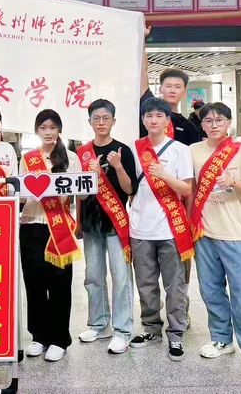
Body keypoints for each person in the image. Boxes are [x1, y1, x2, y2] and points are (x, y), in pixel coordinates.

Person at [185, 102, 241, 372]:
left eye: (219, 120)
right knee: (210, 290)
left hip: (233, 231)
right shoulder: (193, 150)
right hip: (204, 231)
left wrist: (233, 184)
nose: (214, 125)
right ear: (202, 125)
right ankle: (221, 339)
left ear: (229, 123)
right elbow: (191, 189)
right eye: (208, 121)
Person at [140, 26, 201, 321]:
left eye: (178, 86)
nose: (172, 90)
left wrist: (189, 212)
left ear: (184, 91)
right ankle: (152, 317)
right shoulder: (149, 118)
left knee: (182, 259)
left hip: (178, 204)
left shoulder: (190, 128)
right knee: (149, 269)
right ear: (160, 89)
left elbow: (192, 177)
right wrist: (141, 41)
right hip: (148, 208)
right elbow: (141, 79)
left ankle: (181, 304)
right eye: (167, 86)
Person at [128, 97, 194, 362]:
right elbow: (129, 188)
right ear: (143, 119)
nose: (153, 120)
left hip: (170, 228)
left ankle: (176, 332)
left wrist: (164, 175)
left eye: (159, 115)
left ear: (167, 120)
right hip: (140, 227)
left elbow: (186, 188)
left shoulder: (180, 150)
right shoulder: (134, 149)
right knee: (145, 283)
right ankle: (151, 328)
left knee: (174, 284)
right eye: (149, 115)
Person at [75, 99, 138, 355]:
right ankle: (98, 324)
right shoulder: (81, 152)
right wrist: (78, 221)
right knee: (93, 275)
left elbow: (129, 189)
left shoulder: (123, 150)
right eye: (96, 118)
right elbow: (78, 192)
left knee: (121, 277)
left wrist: (118, 166)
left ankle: (122, 330)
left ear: (114, 121)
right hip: (91, 222)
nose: (101, 123)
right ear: (90, 121)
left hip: (116, 223)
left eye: (106, 118)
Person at [19, 109, 82, 362]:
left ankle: (59, 339)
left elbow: (81, 193)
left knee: (60, 284)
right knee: (34, 283)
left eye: (52, 127)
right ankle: (38, 336)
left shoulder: (71, 158)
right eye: (43, 128)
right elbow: (21, 195)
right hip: (31, 224)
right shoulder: (28, 159)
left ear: (59, 130)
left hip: (60, 227)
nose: (48, 132)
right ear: (36, 131)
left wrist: (94, 176)